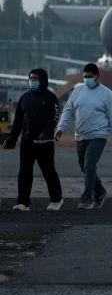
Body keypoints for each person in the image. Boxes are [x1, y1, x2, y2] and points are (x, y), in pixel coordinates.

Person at [55, 63, 112, 209]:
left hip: (98, 135)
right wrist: (61, 128)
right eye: (85, 76)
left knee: (89, 164)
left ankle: (87, 197)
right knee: (84, 166)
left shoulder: (106, 94)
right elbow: (68, 110)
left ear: (97, 76)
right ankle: (100, 191)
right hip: (81, 135)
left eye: (90, 77)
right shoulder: (78, 91)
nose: (87, 79)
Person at [4, 68, 63, 211]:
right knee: (24, 172)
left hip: (45, 143)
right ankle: (23, 203)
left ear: (42, 79)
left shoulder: (50, 97)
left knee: (48, 171)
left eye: (35, 78)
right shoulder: (24, 98)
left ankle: (56, 199)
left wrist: (46, 132)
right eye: (31, 78)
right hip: (27, 142)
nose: (33, 81)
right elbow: (18, 121)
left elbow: (54, 117)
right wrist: (11, 139)